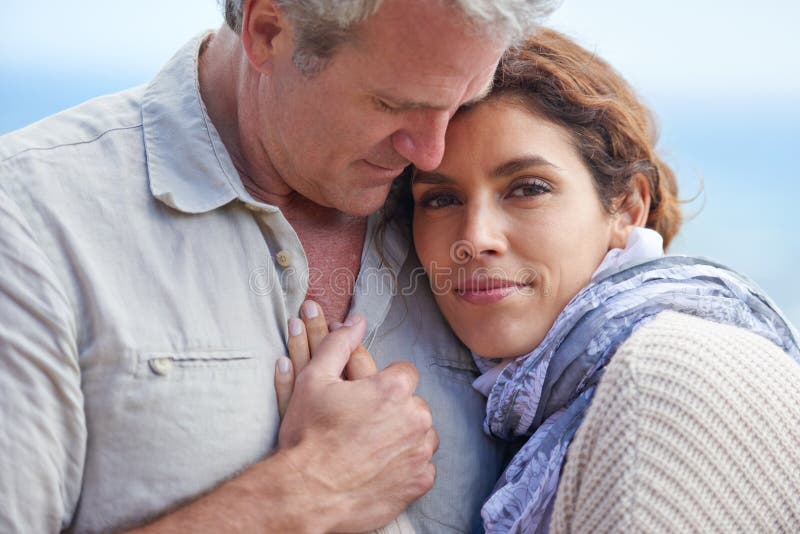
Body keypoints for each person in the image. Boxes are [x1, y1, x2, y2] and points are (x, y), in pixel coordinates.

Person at [0, 1, 555, 532]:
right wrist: (309, 490)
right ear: (268, 33)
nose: (430, 154)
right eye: (391, 105)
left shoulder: (475, 217)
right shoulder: (30, 220)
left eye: (460, 102)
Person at [283, 29, 800, 532]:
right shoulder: (536, 407)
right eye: (441, 199)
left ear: (628, 206)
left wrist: (327, 498)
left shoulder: (669, 377)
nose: (475, 238)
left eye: (527, 189)